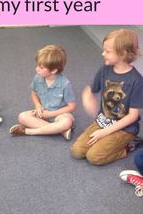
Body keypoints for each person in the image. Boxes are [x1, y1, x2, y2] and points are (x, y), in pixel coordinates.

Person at [70, 29, 143, 165]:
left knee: (94, 157)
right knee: (77, 151)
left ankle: (129, 145)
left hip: (124, 129)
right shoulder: (105, 70)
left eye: (108, 51)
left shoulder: (137, 81)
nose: (103, 54)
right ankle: (107, 140)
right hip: (103, 121)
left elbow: (132, 116)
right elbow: (91, 90)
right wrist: (88, 97)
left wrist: (104, 133)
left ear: (123, 54)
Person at [9, 44, 76, 140]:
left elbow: (72, 107)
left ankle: (28, 131)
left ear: (53, 70)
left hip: (59, 115)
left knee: (67, 122)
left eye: (41, 67)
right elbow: (34, 94)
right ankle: (59, 130)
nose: (37, 69)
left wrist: (50, 114)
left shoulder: (65, 84)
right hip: (42, 113)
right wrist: (38, 106)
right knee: (22, 117)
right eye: (37, 66)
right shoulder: (37, 77)